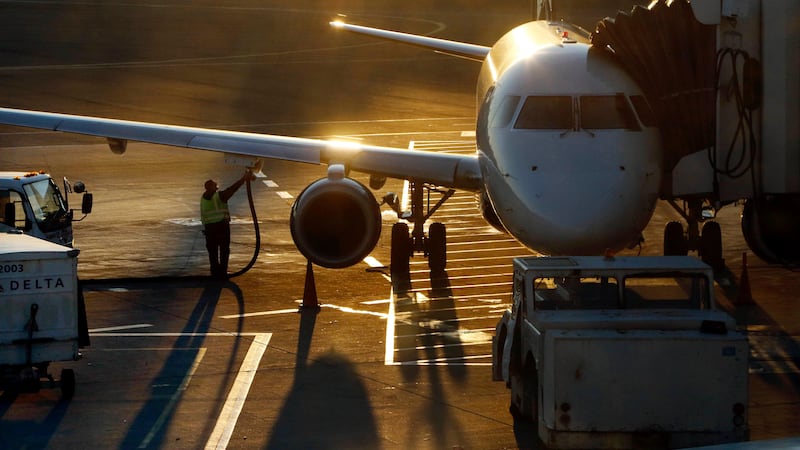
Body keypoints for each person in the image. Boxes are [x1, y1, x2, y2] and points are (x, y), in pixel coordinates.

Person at [200, 170, 254, 278]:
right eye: (215, 185)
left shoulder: (203, 198)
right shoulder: (219, 197)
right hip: (221, 227)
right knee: (224, 250)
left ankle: (215, 273)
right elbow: (232, 189)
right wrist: (243, 179)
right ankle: (222, 273)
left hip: (209, 229)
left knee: (213, 252)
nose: (217, 187)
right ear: (211, 187)